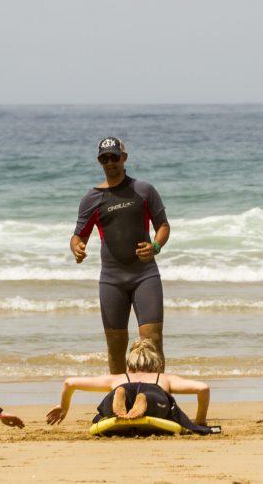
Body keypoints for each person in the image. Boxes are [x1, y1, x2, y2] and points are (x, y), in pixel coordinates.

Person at [71, 136, 170, 374]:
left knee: (152, 342)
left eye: (114, 157)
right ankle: (118, 396)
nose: (110, 163)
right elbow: (78, 236)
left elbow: (163, 226)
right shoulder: (91, 198)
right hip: (111, 280)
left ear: (124, 158)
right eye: (104, 159)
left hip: (145, 275)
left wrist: (155, 247)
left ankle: (159, 396)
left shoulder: (143, 190)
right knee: (116, 346)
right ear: (100, 162)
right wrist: (76, 247)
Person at [45, 338, 215, 435]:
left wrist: (64, 407)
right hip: (154, 391)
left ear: (129, 365)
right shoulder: (163, 378)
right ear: (157, 365)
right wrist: (200, 420)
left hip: (123, 386)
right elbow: (203, 388)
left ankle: (121, 395)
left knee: (115, 396)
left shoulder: (117, 378)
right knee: (154, 398)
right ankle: (145, 400)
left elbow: (70, 383)